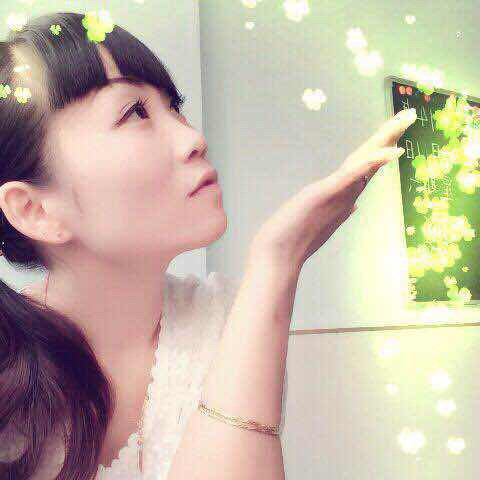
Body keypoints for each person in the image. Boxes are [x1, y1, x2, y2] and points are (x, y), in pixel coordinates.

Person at [0, 10, 417, 480]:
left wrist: (278, 262)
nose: (193, 138)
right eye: (134, 112)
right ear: (35, 211)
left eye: (173, 106)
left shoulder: (226, 318)